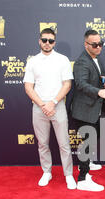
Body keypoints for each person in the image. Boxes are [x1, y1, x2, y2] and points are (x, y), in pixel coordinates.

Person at [23, 28, 76, 189]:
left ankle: (68, 175)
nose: (47, 43)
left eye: (50, 41)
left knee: (64, 143)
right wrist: (42, 104)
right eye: (44, 40)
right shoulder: (32, 61)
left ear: (54, 42)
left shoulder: (62, 60)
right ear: (39, 41)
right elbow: (28, 87)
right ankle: (47, 172)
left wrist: (52, 102)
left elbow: (67, 84)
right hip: (39, 108)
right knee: (42, 143)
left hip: (57, 106)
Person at [71, 29, 105, 191]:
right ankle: (82, 179)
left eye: (101, 44)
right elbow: (81, 84)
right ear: (86, 44)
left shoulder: (95, 59)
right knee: (87, 144)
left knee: (91, 140)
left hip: (93, 109)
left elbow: (97, 76)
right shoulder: (82, 61)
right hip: (84, 110)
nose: (99, 47)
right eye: (95, 44)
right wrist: (99, 91)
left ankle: (86, 164)